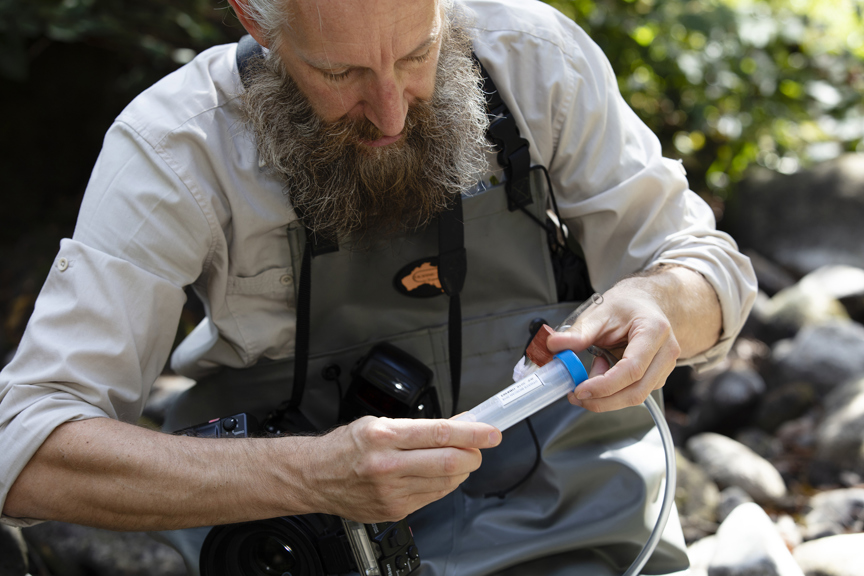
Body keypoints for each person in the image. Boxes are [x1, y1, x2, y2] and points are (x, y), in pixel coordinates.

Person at [0, 0, 756, 574]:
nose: (391, 110)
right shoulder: (177, 147)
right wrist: (310, 473)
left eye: (419, 53)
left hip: (584, 539)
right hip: (309, 546)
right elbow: (24, 447)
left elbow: (707, 266)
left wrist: (663, 304)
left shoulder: (537, 60)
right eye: (340, 73)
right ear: (255, 23)